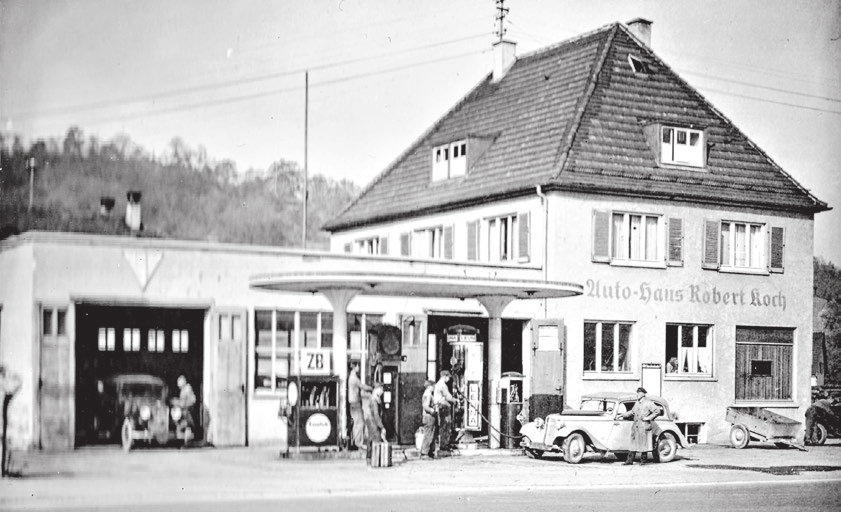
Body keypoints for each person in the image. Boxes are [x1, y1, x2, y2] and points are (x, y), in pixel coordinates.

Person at [618, 387, 662, 465]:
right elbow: (632, 411)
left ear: (643, 394)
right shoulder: (637, 402)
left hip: (644, 426)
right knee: (633, 444)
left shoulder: (648, 402)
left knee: (643, 444)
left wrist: (648, 418)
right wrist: (622, 414)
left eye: (639, 393)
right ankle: (629, 460)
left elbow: (657, 411)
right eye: (637, 393)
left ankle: (643, 461)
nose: (637, 394)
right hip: (636, 426)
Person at [348, 361, 372, 450]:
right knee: (360, 423)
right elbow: (363, 387)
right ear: (354, 367)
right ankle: (358, 443)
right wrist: (372, 388)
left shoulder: (352, 378)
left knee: (358, 423)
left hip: (355, 403)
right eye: (358, 366)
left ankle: (358, 442)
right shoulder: (354, 378)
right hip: (355, 404)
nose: (359, 368)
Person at [363, 383, 387, 463]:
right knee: (376, 439)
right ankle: (374, 460)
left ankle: (369, 459)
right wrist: (381, 426)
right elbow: (376, 415)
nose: (382, 392)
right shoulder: (374, 401)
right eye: (381, 389)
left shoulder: (374, 399)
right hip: (373, 422)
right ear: (377, 390)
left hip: (370, 420)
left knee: (371, 440)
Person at [434, 370, 458, 453]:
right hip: (443, 407)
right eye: (448, 377)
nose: (448, 379)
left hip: (441, 407)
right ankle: (444, 444)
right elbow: (448, 397)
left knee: (443, 426)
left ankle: (443, 444)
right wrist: (456, 400)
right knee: (446, 426)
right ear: (444, 376)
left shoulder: (438, 384)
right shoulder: (442, 385)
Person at [420, 380, 436, 459]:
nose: (434, 388)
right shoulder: (428, 394)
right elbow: (426, 406)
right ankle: (424, 453)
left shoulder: (428, 393)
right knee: (428, 435)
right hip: (428, 417)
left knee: (430, 434)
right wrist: (432, 410)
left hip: (429, 417)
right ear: (430, 386)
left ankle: (428, 452)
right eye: (433, 386)